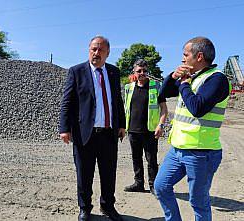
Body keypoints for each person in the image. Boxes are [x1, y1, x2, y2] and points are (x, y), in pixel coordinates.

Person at [154, 37, 231, 221]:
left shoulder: (217, 79)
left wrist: (184, 84)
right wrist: (173, 77)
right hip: (177, 149)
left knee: (198, 201)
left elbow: (198, 108)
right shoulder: (192, 78)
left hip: (201, 153)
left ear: (199, 56)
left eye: (185, 55)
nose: (182, 59)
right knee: (161, 186)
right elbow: (163, 94)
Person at [59, 35, 126, 221]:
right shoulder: (76, 71)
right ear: (89, 50)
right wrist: (64, 128)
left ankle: (108, 206)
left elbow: (117, 100)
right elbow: (67, 102)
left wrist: (122, 124)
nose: (96, 53)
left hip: (108, 134)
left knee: (108, 173)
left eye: (100, 50)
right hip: (84, 134)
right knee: (84, 174)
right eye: (93, 49)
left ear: (108, 52)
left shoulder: (113, 72)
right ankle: (85, 208)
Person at [123, 59, 168, 195]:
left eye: (144, 71)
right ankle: (138, 183)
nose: (142, 73)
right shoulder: (128, 88)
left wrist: (160, 125)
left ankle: (153, 185)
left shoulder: (155, 86)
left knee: (151, 160)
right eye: (139, 71)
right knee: (136, 158)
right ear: (134, 72)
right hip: (132, 130)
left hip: (150, 130)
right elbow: (125, 109)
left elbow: (164, 109)